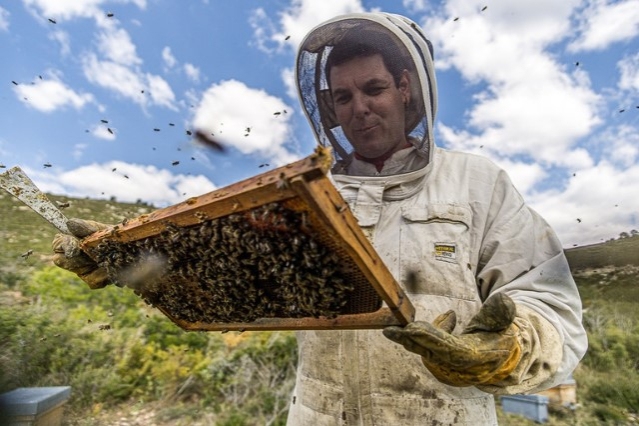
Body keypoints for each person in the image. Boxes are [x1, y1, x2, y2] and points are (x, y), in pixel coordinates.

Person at [52, 12, 587, 425]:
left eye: (374, 89)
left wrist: (508, 349)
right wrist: (129, 261)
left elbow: (551, 303)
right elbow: (239, 280)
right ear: (328, 108)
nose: (359, 108)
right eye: (343, 97)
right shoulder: (309, 199)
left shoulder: (477, 182)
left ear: (407, 88)